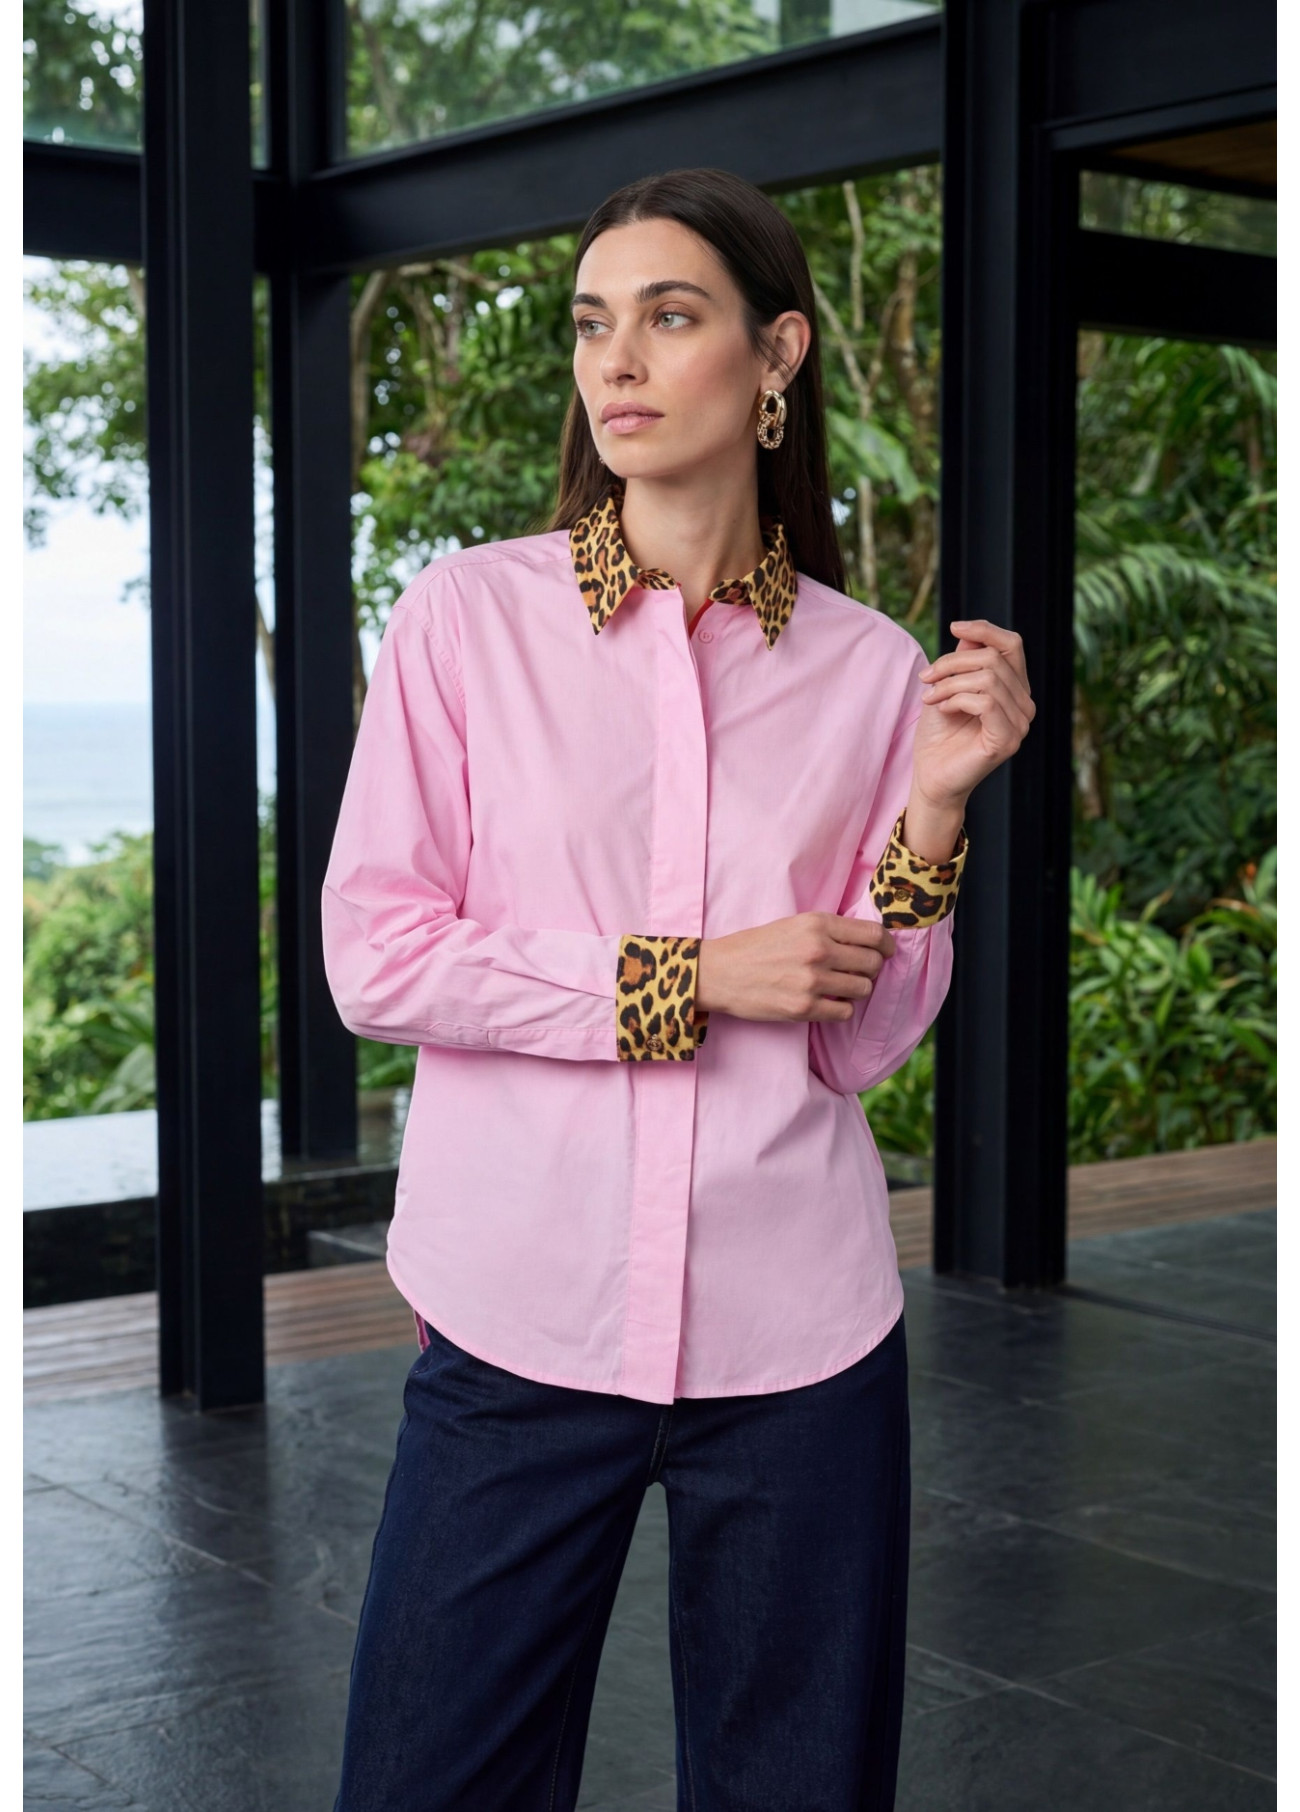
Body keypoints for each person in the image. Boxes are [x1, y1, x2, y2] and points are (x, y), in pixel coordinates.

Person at [323, 166, 1034, 1812]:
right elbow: (379, 954)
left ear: (777, 354)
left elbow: (856, 1044)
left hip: (800, 1339)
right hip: (521, 1315)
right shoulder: (467, 622)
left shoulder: (869, 669)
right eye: (593, 325)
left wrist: (934, 812)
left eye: (669, 315)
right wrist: (686, 982)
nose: (619, 360)